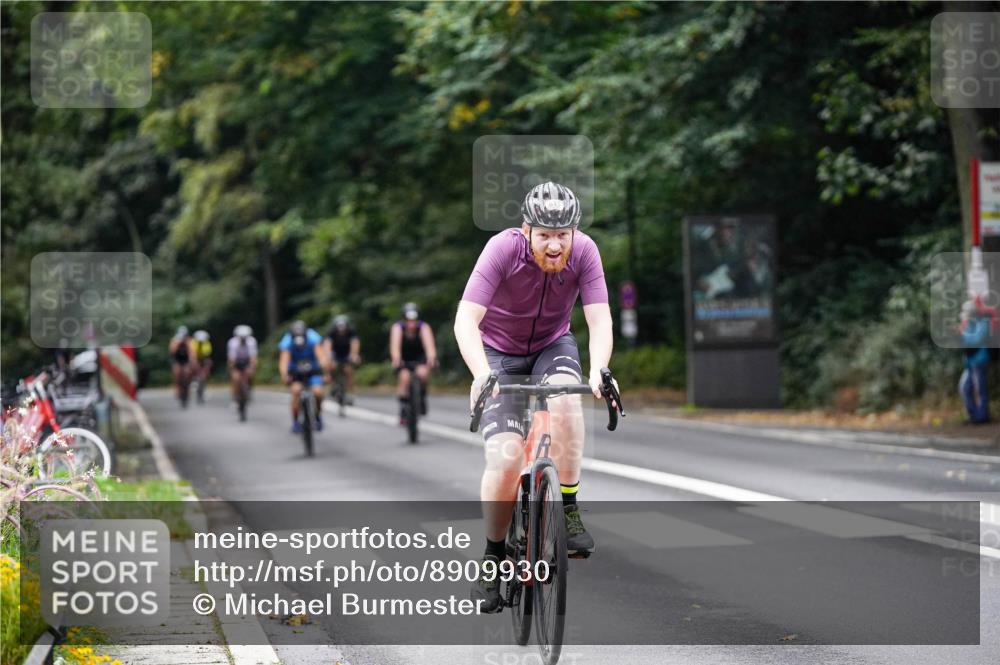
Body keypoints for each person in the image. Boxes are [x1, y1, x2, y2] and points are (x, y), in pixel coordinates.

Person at [454, 181, 615, 613]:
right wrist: (482, 374)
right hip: (498, 354)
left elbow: (599, 321)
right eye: (544, 234)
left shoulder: (585, 252)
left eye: (563, 234)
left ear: (574, 232)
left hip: (552, 345)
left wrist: (601, 369)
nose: (555, 244)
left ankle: (569, 505)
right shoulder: (502, 250)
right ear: (526, 230)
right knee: (505, 459)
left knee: (566, 404)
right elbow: (466, 320)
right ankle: (492, 556)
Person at [278, 320, 330, 433]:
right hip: (295, 371)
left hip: (313, 369)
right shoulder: (287, 341)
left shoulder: (312, 338)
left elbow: (321, 357)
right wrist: (284, 375)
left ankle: (317, 416)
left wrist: (326, 373)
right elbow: (284, 361)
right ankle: (296, 421)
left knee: (318, 393)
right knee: (296, 391)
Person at [389, 302, 437, 423]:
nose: (411, 323)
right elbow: (395, 346)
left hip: (419, 357)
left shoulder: (423, 327)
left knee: (423, 374)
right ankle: (403, 408)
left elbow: (429, 346)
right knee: (404, 378)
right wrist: (396, 360)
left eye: (414, 320)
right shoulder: (398, 328)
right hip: (404, 358)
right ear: (404, 319)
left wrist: (431, 359)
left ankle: (422, 398)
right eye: (408, 320)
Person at [959, 299, 993, 424]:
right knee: (964, 388)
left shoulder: (982, 323)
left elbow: (976, 340)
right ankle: (973, 415)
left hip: (979, 360)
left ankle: (982, 416)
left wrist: (962, 334)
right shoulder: (968, 324)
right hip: (969, 362)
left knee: (980, 390)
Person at [324, 314, 361, 404]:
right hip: (335, 354)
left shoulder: (351, 332)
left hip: (346, 354)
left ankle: (350, 393)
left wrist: (354, 355)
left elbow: (355, 343)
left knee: (348, 371)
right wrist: (328, 356)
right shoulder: (331, 332)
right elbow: (327, 344)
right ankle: (332, 386)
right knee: (331, 366)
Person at [227, 325, 258, 404]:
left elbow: (253, 357)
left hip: (247, 361)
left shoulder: (252, 341)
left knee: (250, 375)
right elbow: (231, 358)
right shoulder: (232, 342)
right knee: (235, 378)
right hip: (236, 362)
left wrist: (252, 367)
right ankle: (235, 396)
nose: (243, 339)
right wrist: (232, 369)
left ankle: (249, 389)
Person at [169, 326, 195, 402]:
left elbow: (192, 352)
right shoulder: (174, 340)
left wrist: (192, 361)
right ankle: (177, 390)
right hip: (177, 359)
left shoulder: (189, 340)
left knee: (188, 373)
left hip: (186, 360)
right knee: (177, 373)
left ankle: (188, 390)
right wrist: (177, 344)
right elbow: (172, 352)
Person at [192, 330, 213, 399]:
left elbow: (207, 353)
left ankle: (206, 377)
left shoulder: (207, 343)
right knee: (192, 365)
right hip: (195, 358)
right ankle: (194, 378)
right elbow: (192, 353)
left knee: (208, 364)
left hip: (203, 359)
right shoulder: (193, 343)